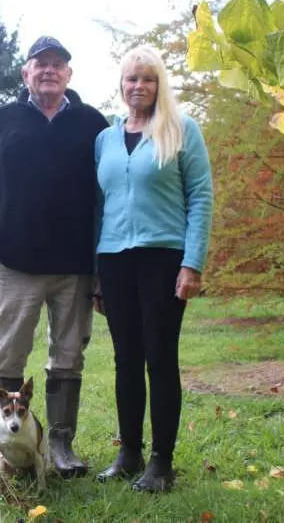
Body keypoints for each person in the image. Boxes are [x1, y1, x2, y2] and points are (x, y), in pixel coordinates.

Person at [0, 35, 109, 478]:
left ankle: (60, 444)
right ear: (25, 73)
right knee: (6, 356)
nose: (49, 70)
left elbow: (107, 194)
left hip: (75, 267)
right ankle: (2, 445)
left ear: (69, 74)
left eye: (57, 64)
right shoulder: (2, 121)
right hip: (14, 265)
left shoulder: (93, 124)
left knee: (68, 357)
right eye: (39, 63)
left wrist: (101, 265)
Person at [93, 46, 213, 493]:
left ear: (158, 84)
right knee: (127, 359)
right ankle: (129, 453)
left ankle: (162, 462)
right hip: (115, 259)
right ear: (121, 86)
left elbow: (200, 197)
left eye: (146, 78)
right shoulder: (104, 139)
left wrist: (192, 263)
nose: (138, 86)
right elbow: (99, 208)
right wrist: (98, 275)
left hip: (164, 258)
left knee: (160, 359)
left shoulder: (181, 130)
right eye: (130, 79)